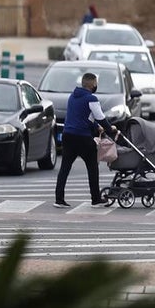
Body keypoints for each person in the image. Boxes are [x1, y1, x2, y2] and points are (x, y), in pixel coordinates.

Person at [54, 71, 118, 208]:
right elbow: (100, 117)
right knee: (92, 167)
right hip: (82, 137)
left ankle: (59, 199)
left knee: (65, 167)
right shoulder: (91, 99)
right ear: (93, 84)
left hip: (68, 135)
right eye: (96, 83)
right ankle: (95, 199)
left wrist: (96, 127)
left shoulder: (72, 96)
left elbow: (82, 117)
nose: (96, 86)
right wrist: (109, 128)